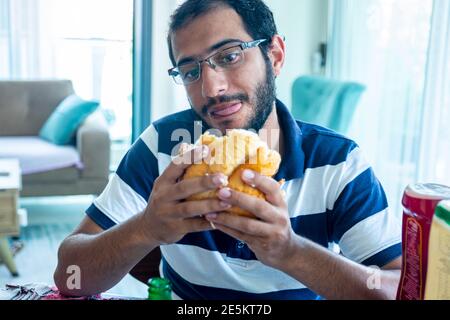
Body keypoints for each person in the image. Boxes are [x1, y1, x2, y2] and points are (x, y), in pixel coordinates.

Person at [54, 0, 402, 300]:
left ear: (275, 55)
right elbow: (70, 276)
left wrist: (291, 251)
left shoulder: (338, 162)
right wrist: (147, 229)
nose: (211, 88)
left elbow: (397, 288)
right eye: (190, 71)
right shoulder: (162, 146)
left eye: (230, 56)